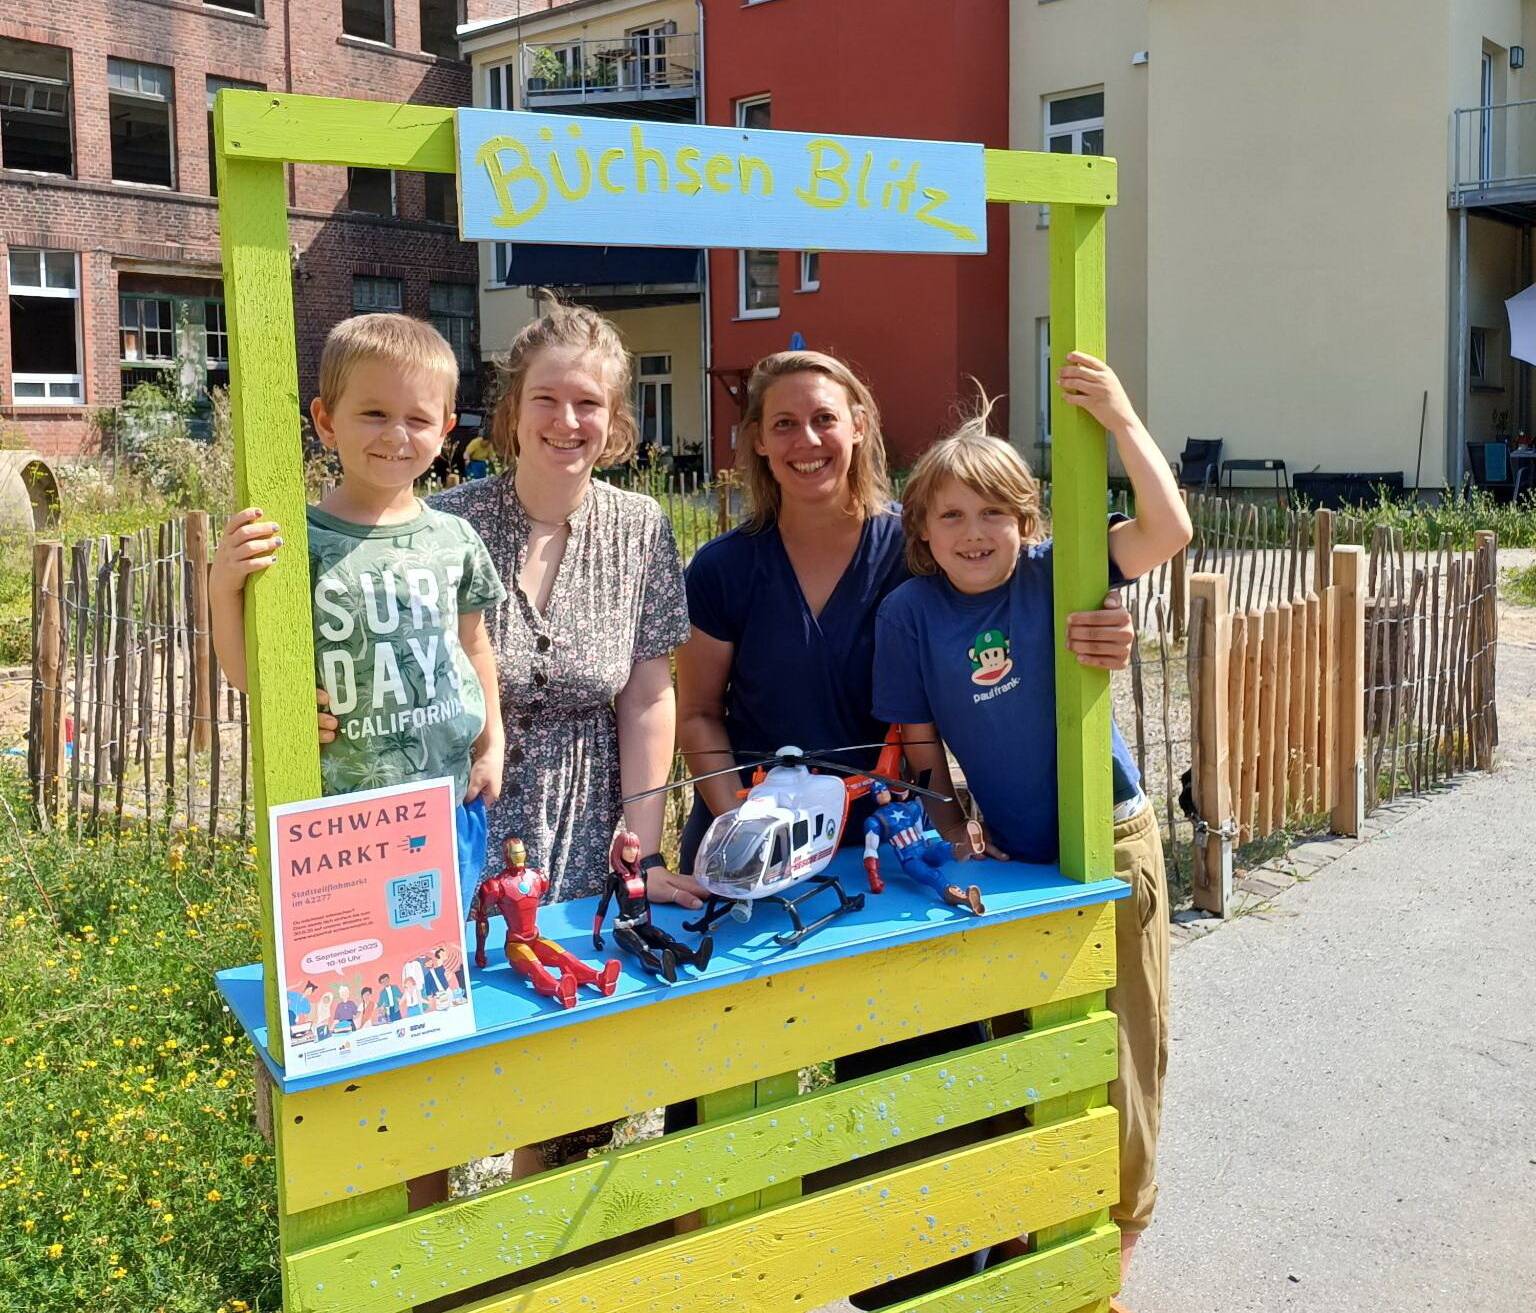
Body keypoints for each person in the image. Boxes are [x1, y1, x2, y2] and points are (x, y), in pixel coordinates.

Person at [872, 352, 1190, 1305]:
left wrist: (1124, 419)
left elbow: (1169, 528)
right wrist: (956, 846)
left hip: (1114, 841)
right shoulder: (909, 614)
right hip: (1013, 862)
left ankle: (1108, 1261)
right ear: (923, 530)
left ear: (1029, 521)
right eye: (952, 515)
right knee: (1024, 1050)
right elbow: (924, 757)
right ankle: (1032, 1242)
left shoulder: (1059, 575)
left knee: (1127, 1050)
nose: (976, 533)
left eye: (996, 513)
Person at [429, 294, 701, 1174]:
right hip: (467, 823)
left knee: (574, 1079)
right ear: (512, 411)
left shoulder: (640, 527)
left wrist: (645, 849)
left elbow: (651, 695)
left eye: (589, 402)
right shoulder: (445, 525)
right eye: (547, 397)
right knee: (444, 1061)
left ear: (616, 422)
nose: (567, 419)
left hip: (588, 830)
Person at [209, 313, 507, 916]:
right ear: (326, 421)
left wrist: (493, 743)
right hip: (341, 823)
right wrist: (223, 586)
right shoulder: (293, 542)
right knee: (353, 969)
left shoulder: (454, 537)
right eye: (374, 413)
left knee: (436, 967)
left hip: (448, 806)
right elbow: (249, 675)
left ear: (446, 429)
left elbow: (473, 648)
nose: (397, 434)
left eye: (419, 419)